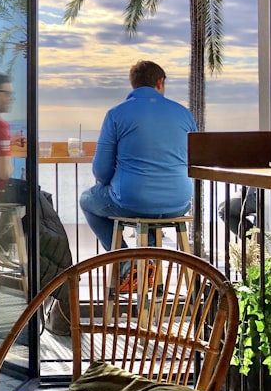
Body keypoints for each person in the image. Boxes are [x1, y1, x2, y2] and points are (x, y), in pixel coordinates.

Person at [79, 60, 197, 251]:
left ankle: (125, 262)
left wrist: (115, 182)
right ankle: (149, 263)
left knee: (86, 199)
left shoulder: (116, 114)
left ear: (133, 83)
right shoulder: (184, 114)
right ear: (160, 82)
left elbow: (101, 171)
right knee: (147, 208)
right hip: (179, 202)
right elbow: (195, 159)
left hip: (133, 201)